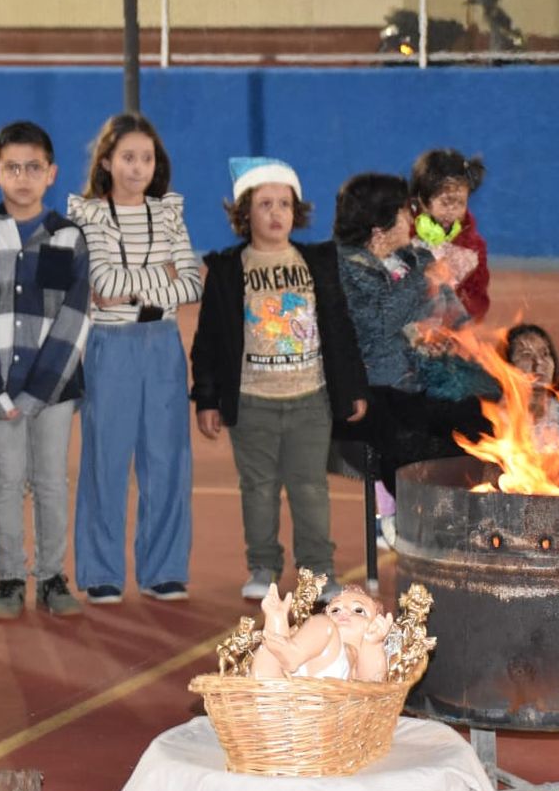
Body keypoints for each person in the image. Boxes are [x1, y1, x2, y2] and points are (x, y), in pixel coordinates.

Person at [189, 157, 369, 602]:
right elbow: (209, 340)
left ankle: (318, 571)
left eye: (284, 204)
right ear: (244, 213)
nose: (275, 213)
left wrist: (353, 388)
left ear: (296, 211)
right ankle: (263, 565)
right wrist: (207, 399)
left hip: (310, 400)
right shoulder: (229, 270)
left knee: (310, 488)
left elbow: (341, 329)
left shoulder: (317, 262)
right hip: (252, 403)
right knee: (258, 489)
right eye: (264, 204)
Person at [0, 121, 91, 621]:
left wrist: (37, 392)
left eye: (34, 167)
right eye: (13, 168)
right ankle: (9, 578)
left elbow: (74, 319)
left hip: (53, 390)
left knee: (51, 481)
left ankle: (51, 577)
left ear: (51, 173)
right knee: (6, 481)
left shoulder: (68, 237)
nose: (23, 177)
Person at [67, 114, 201, 606]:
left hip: (163, 344)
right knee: (105, 460)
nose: (138, 167)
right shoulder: (90, 216)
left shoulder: (168, 214)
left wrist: (135, 285)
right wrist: (162, 276)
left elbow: (191, 284)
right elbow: (101, 283)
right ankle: (101, 571)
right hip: (112, 346)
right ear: (106, 162)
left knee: (167, 459)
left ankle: (163, 569)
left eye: (147, 158)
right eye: (127, 157)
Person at [333, 171, 483, 544]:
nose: (411, 218)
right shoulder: (343, 268)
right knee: (420, 444)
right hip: (369, 391)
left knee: (483, 415)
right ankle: (408, 521)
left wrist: (447, 338)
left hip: (418, 380)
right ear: (379, 227)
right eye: (404, 211)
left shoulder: (411, 259)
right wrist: (424, 280)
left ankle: (465, 520)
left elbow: (453, 316)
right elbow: (377, 325)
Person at [252, 581, 392, 682]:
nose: (344, 612)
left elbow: (373, 683)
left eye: (359, 610)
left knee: (325, 626)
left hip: (334, 690)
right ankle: (267, 692)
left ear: (375, 624)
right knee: (268, 649)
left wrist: (373, 644)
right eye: (335, 610)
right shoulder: (313, 638)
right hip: (288, 691)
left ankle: (291, 654)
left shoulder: (355, 655)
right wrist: (277, 620)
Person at [410, 148, 490, 321]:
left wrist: (459, 320)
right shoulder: (399, 235)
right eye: (446, 202)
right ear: (423, 200)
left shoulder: (473, 248)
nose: (452, 210)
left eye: (460, 203)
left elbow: (477, 301)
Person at [505, 323, 559, 453]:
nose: (539, 362)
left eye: (544, 354)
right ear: (507, 367)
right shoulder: (497, 417)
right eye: (526, 355)